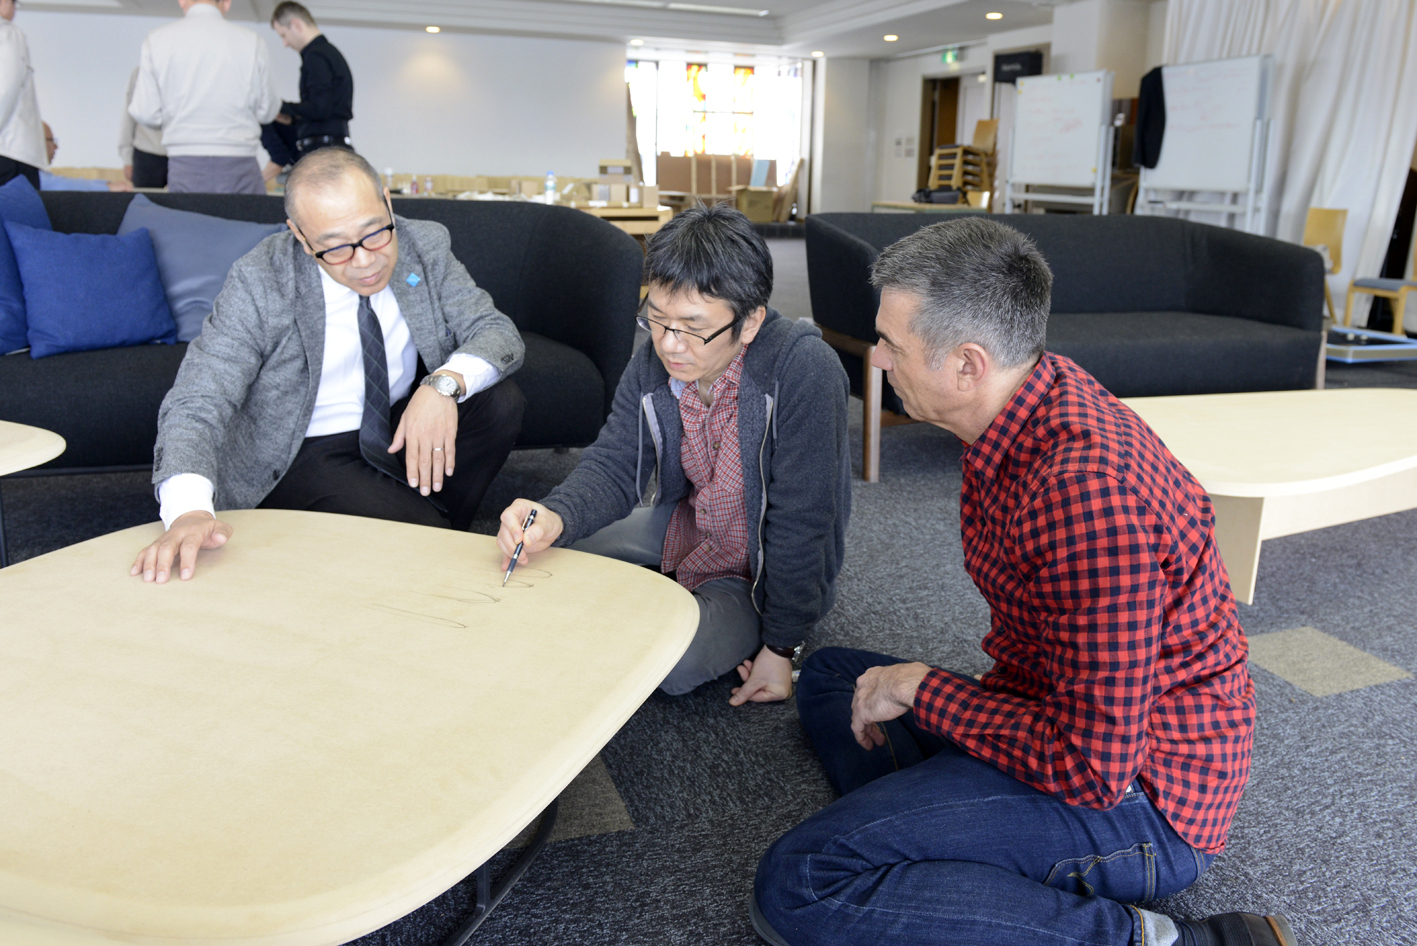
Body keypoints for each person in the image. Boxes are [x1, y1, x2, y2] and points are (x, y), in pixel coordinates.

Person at [751, 218, 1292, 946]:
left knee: (799, 882)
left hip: (1140, 799)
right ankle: (945, 850)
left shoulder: (1086, 496)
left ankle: (1164, 939)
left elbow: (1090, 767)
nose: (875, 360)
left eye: (893, 346)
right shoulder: (1023, 401)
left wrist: (921, 689)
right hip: (1046, 703)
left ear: (967, 364)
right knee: (830, 678)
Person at [496, 203, 851, 701]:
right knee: (547, 549)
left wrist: (782, 645)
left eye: (691, 326)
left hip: (758, 567)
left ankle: (700, 608)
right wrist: (555, 513)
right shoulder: (656, 358)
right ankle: (663, 594)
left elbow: (803, 520)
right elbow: (616, 461)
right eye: (656, 320)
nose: (669, 344)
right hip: (692, 521)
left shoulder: (804, 370)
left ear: (749, 322)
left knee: (671, 669)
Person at [132, 148, 525, 584]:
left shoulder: (422, 247)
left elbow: (496, 333)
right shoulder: (261, 279)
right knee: (418, 537)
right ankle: (426, 535)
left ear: (388, 203)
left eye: (375, 233)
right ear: (301, 238)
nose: (365, 261)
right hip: (303, 447)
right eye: (335, 248)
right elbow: (199, 397)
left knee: (497, 401)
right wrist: (188, 512)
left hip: (393, 422)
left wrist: (442, 386)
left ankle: (437, 532)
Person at [128, 0, 281, 195]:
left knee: (190, 225)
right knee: (247, 224)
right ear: (227, 3)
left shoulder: (156, 39)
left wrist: (172, 119)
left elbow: (145, 112)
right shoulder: (252, 41)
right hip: (240, 164)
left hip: (184, 166)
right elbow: (268, 111)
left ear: (182, 1)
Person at [261, 2, 353, 184]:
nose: (285, 43)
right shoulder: (329, 54)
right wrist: (293, 118)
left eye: (284, 35)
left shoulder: (316, 57)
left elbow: (320, 108)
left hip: (323, 153)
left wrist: (277, 106)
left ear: (296, 25)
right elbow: (323, 108)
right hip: (334, 150)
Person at [0, 0, 46, 190]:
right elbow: (5, 90)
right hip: (10, 154)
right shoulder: (7, 32)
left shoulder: (8, 33)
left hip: (10, 151)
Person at [40, 123, 132, 192]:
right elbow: (58, 184)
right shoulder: (32, 177)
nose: (56, 147)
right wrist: (107, 187)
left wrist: (107, 185)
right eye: (51, 140)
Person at [119, 66, 167, 189]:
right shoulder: (141, 72)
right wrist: (127, 158)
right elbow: (128, 115)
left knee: (184, 205)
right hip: (146, 154)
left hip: (182, 153)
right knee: (145, 205)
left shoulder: (188, 70)